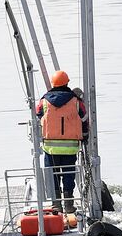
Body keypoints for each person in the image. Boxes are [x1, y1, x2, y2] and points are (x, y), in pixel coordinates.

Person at [34, 69, 88, 214]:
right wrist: (85, 134)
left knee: (52, 175)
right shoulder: (76, 101)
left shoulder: (44, 101)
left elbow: (38, 114)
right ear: (67, 83)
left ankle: (56, 204)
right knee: (69, 174)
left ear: (52, 83)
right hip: (70, 147)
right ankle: (69, 205)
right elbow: (84, 118)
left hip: (50, 147)